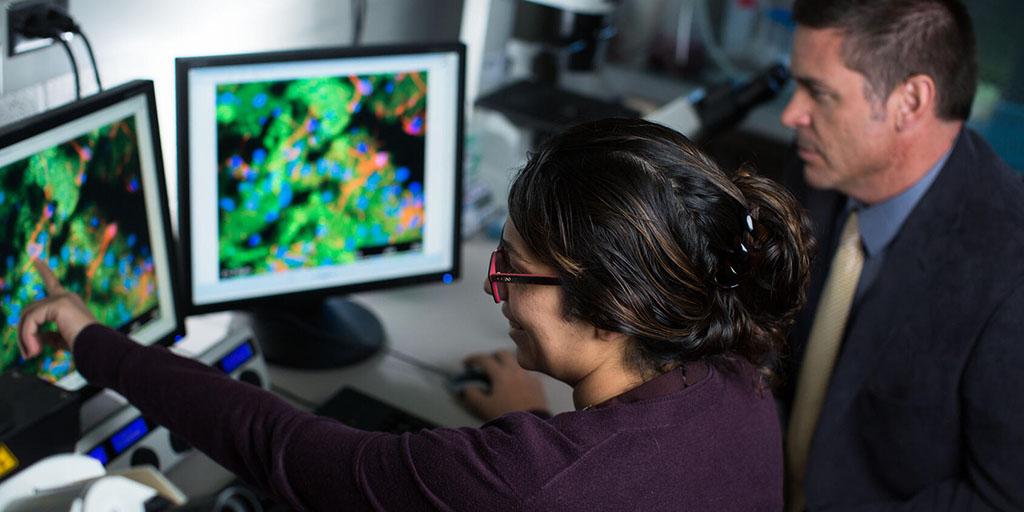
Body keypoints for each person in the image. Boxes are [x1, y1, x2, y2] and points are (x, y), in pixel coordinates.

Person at [19, 118, 814, 511]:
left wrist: (94, 340)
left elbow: (278, 444)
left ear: (617, 306)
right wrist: (535, 425)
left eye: (512, 269)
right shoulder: (742, 381)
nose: (491, 287)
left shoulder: (522, 482)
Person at [777, 0, 1024, 510]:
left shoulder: (1010, 268)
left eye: (818, 92)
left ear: (910, 102)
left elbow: (1003, 495)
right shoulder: (807, 177)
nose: (791, 114)